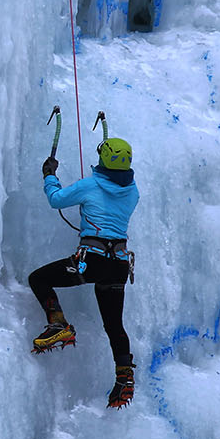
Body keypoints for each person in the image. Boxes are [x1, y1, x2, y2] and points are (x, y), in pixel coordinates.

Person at [28, 137, 140, 409]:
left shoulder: (89, 185)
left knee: (39, 279)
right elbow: (111, 191)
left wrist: (49, 175)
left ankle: (59, 324)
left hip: (93, 260)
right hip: (119, 265)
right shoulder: (133, 191)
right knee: (114, 325)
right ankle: (124, 378)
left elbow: (56, 200)